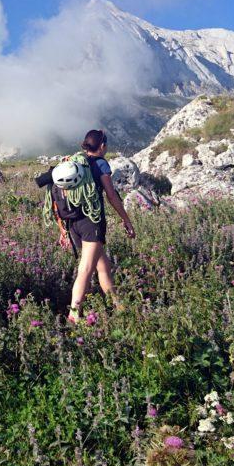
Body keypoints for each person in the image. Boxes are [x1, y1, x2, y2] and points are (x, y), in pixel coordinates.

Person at [62, 129, 136, 323]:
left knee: (103, 267)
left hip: (73, 224)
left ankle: (119, 307)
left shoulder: (76, 163)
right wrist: (126, 219)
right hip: (91, 224)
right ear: (102, 146)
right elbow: (111, 196)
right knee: (85, 269)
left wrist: (62, 230)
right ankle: (73, 315)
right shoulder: (101, 164)